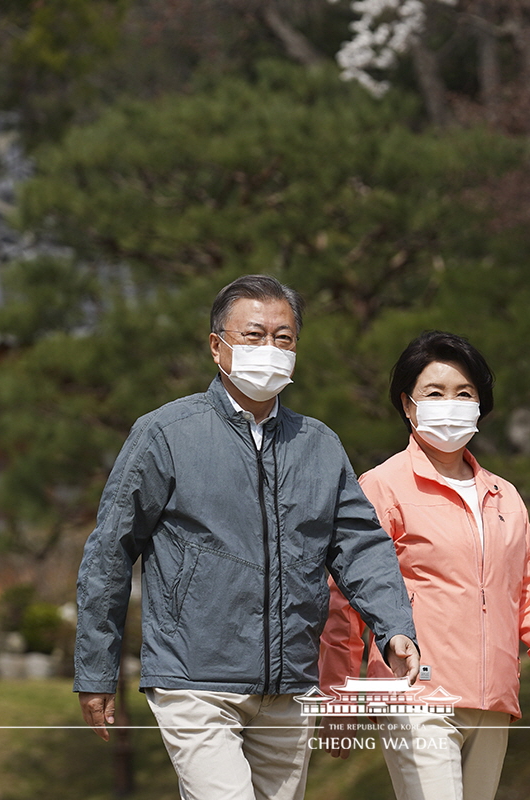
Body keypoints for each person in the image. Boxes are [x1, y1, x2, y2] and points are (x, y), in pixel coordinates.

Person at [73, 274, 420, 800]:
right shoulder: (165, 434)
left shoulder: (320, 445)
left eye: (284, 338)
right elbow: (109, 556)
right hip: (195, 678)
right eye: (254, 335)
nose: (270, 349)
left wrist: (395, 626)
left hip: (290, 685)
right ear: (218, 347)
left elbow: (361, 546)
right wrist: (96, 669)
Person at [319, 330, 530, 800]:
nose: (451, 403)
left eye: (464, 393)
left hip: (494, 701)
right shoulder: (382, 487)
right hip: (416, 696)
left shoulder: (504, 496)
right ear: (407, 405)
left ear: (481, 405)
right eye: (434, 393)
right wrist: (339, 698)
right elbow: (344, 601)